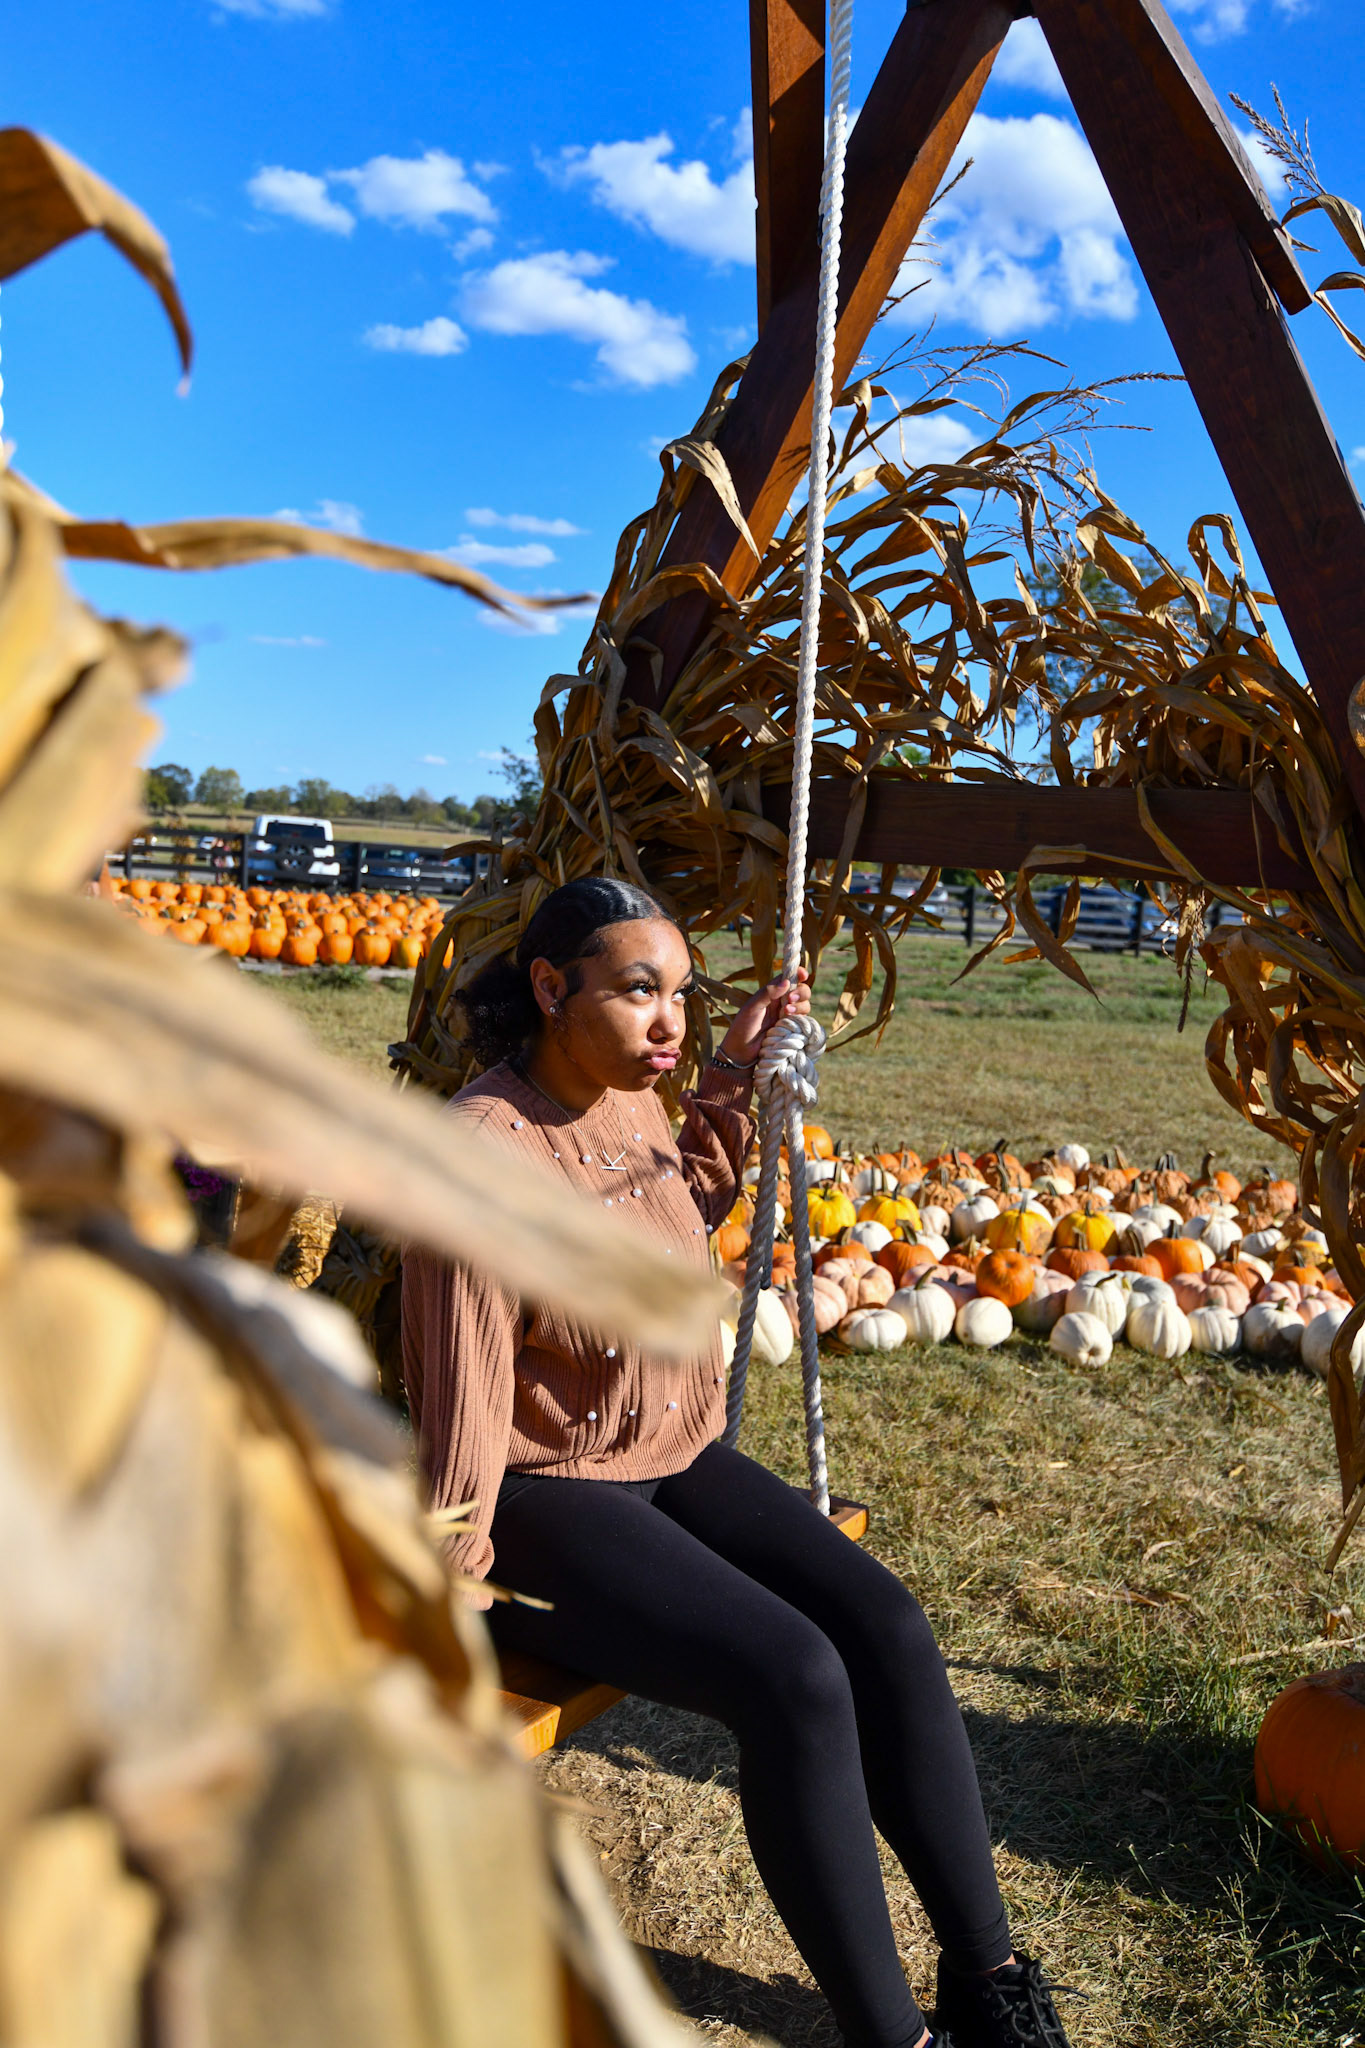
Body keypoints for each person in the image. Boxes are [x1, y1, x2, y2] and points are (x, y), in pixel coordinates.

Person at [401, 877, 1073, 2048]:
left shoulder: (631, 1093)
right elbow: (460, 1396)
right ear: (550, 986)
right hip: (541, 1495)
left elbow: (670, 1204)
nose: (671, 1018)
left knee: (888, 1625)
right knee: (795, 1674)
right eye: (639, 990)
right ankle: (894, 2036)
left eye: (680, 991)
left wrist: (730, 1076)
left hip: (671, 1452)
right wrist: (445, 1588)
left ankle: (991, 1980)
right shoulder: (480, 1152)